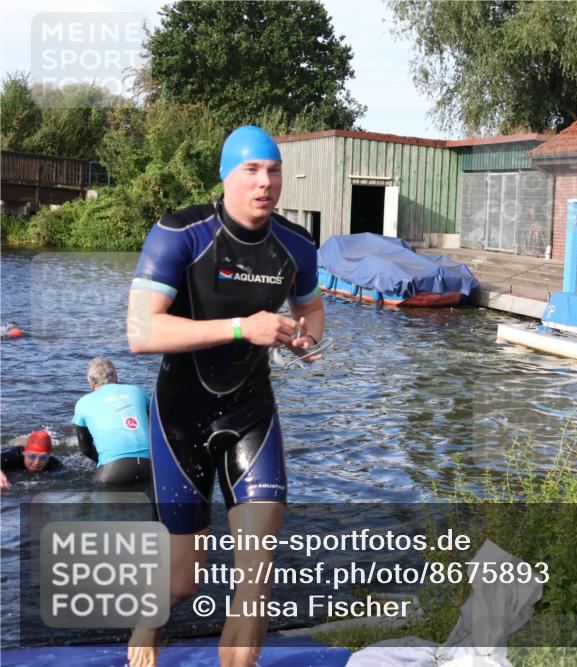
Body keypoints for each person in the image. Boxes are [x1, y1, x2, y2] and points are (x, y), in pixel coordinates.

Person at [125, 125, 324, 667]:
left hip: (252, 412)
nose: (266, 182)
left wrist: (305, 337)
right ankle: (149, 625)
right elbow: (142, 333)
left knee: (256, 578)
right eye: (252, 170)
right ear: (226, 175)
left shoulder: (296, 245)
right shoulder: (180, 232)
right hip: (181, 416)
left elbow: (311, 309)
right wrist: (244, 328)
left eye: (274, 170)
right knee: (182, 581)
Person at [71, 357, 152, 486]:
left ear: (90, 382)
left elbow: (85, 449)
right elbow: (154, 424)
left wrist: (105, 461)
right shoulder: (138, 391)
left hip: (114, 471)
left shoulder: (83, 403)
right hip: (151, 466)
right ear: (116, 376)